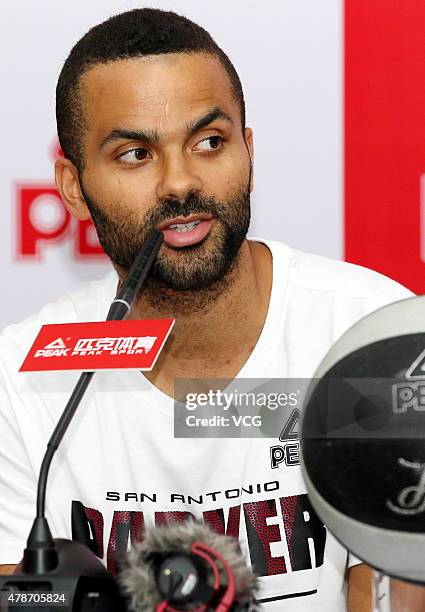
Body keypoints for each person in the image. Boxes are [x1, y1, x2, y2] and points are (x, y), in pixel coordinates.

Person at [0, 8, 413, 610]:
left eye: (209, 142)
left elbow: (391, 590)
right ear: (72, 186)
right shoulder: (22, 381)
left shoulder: (373, 340)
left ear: (248, 151)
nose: (179, 182)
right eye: (135, 154)